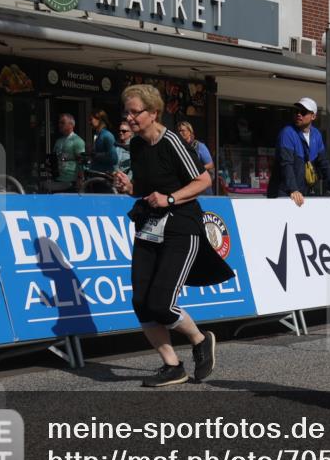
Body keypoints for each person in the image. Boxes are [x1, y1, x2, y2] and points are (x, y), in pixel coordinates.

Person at [111, 84, 233, 388]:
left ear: (153, 113)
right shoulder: (137, 145)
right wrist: (130, 187)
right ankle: (172, 365)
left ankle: (200, 340)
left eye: (135, 112)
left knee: (161, 304)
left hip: (181, 226)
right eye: (126, 112)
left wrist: (169, 199)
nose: (129, 117)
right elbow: (147, 188)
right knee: (141, 301)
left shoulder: (172, 142)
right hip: (149, 228)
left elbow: (203, 180)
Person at [267, 97, 330, 207]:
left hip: (302, 194)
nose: (299, 114)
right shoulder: (287, 133)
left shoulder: (316, 135)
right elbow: (286, 164)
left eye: (303, 112)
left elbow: (324, 164)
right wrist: (294, 189)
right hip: (283, 194)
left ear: (313, 116)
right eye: (296, 111)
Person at [177, 121, 214, 196]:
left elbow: (210, 165)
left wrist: (196, 169)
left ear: (190, 132)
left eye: (183, 130)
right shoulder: (179, 147)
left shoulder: (200, 146)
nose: (180, 133)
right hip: (186, 185)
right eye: (179, 131)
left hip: (201, 186)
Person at [52, 113, 85, 192]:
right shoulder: (58, 141)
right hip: (57, 179)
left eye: (62, 122)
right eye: (59, 123)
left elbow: (81, 161)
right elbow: (54, 157)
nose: (60, 125)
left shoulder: (77, 141)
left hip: (71, 180)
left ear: (71, 125)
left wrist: (80, 179)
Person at [90, 110, 118, 174]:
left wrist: (95, 155)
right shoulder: (97, 135)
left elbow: (114, 159)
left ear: (99, 119)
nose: (89, 122)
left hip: (103, 175)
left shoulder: (107, 135)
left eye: (91, 119)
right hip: (96, 173)